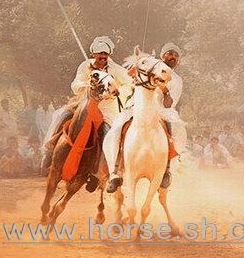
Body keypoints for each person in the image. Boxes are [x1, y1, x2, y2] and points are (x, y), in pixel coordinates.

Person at [41, 36, 133, 181]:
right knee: (60, 114)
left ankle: (105, 170)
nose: (103, 57)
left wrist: (116, 93)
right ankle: (48, 150)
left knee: (110, 133)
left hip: (106, 107)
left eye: (105, 54)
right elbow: (75, 85)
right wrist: (87, 86)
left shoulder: (116, 69)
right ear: (93, 55)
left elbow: (129, 83)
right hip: (84, 102)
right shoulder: (85, 66)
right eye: (100, 54)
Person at [105, 42, 187, 193]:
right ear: (162, 55)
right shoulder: (150, 65)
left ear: (179, 60)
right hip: (137, 107)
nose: (172, 56)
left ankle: (168, 170)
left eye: (176, 55)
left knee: (178, 131)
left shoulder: (177, 80)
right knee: (115, 129)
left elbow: (169, 104)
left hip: (161, 111)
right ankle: (114, 172)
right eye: (169, 53)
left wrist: (165, 90)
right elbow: (130, 78)